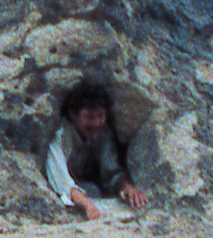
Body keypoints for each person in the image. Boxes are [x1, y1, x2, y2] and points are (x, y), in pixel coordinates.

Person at [42, 79, 146, 221]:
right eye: (89, 117)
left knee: (94, 189)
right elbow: (61, 181)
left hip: (90, 189)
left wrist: (127, 187)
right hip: (69, 197)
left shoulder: (103, 133)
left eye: (100, 116)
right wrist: (88, 206)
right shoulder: (61, 135)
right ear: (74, 115)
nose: (96, 123)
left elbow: (111, 171)